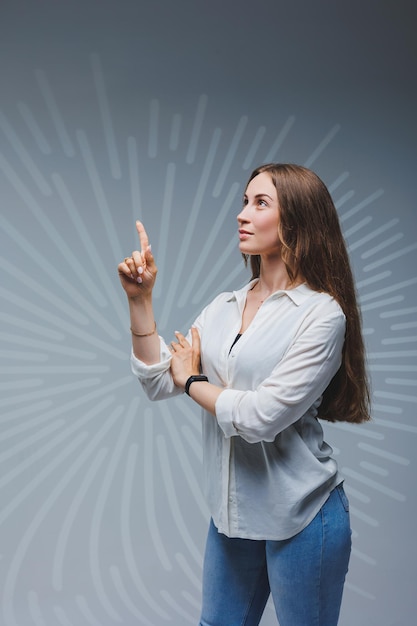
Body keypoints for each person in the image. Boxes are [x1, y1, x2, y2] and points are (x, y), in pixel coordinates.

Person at [118, 163, 371, 626]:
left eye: (260, 203)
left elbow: (259, 418)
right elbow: (158, 380)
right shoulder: (222, 308)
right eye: (244, 201)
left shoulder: (321, 316)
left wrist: (194, 380)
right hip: (233, 520)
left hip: (304, 517)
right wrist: (140, 301)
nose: (242, 214)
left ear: (296, 219)